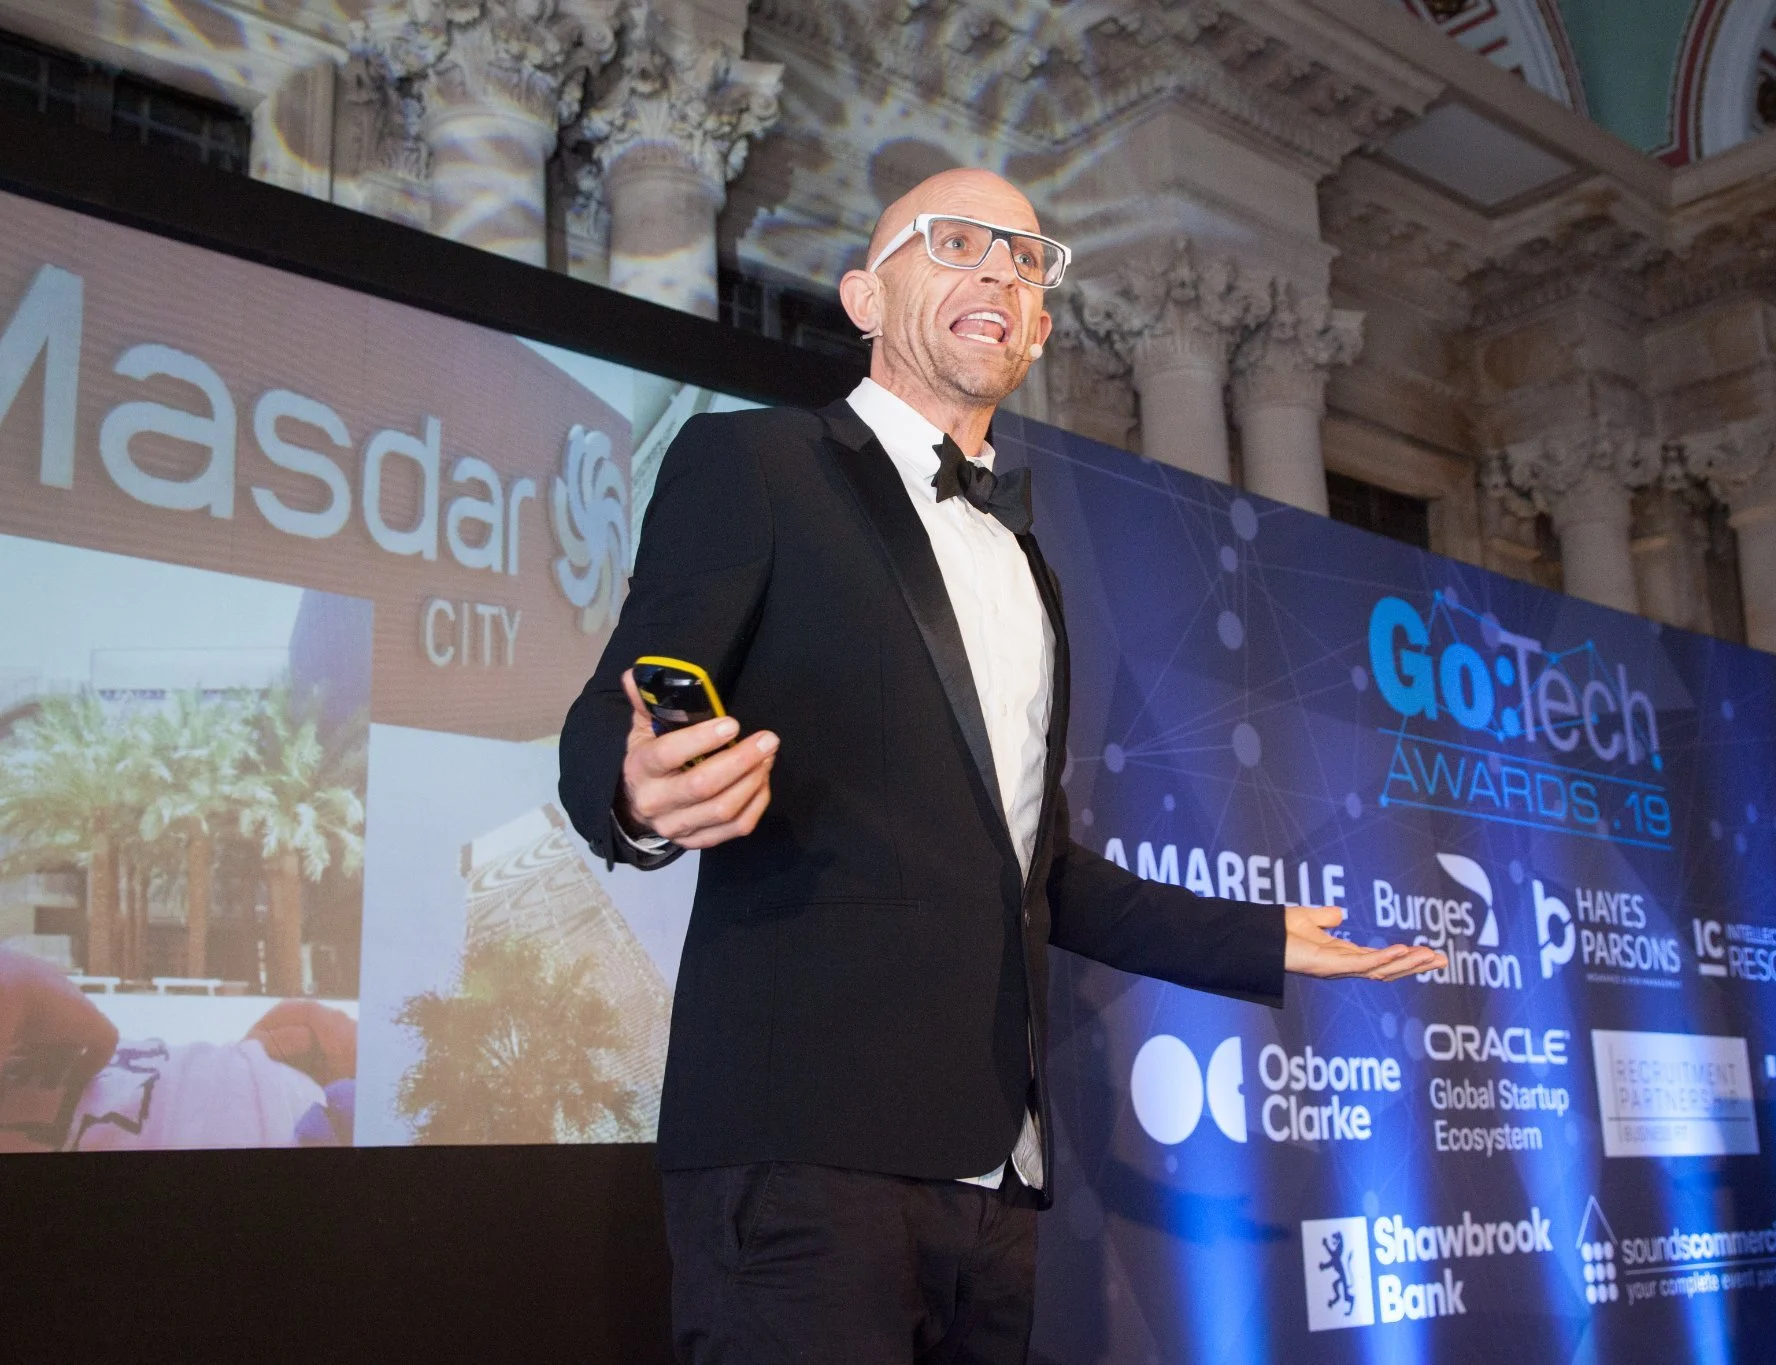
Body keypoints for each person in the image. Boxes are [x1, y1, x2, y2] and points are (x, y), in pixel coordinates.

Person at [557, 167, 1448, 1365]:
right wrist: (636, 794)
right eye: (958, 242)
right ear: (864, 297)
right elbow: (614, 709)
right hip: (805, 1157)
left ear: (1033, 328)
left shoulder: (1026, 562)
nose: (1001, 270)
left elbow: (1040, 872)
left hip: (1000, 1169)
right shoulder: (754, 465)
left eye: (1027, 261)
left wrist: (1262, 936)